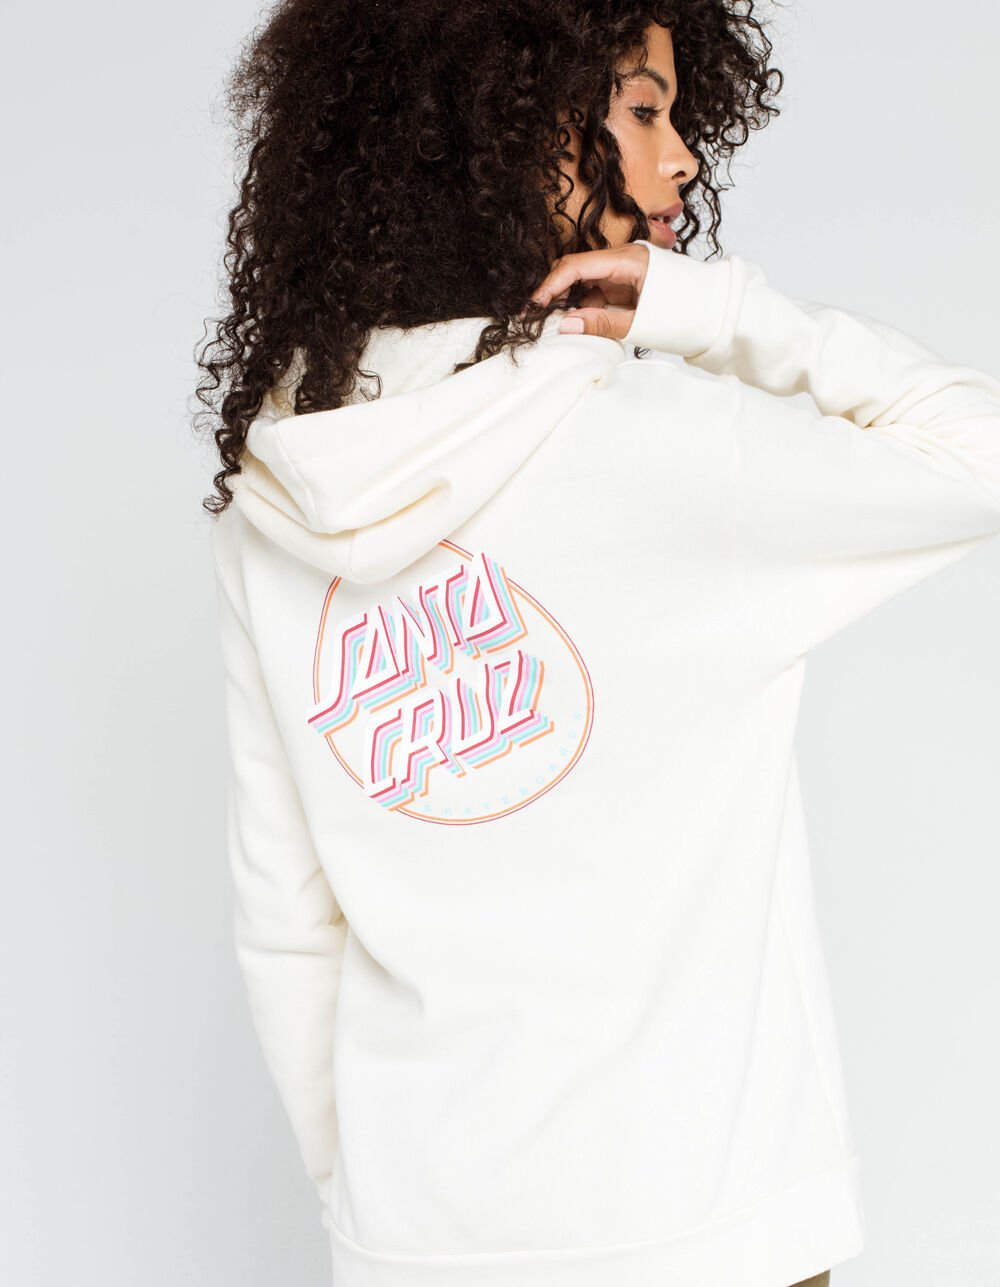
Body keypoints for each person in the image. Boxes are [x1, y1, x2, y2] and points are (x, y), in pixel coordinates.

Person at [194, 3, 1000, 1285]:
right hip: (708, 1229)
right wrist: (720, 314)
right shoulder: (655, 443)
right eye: (641, 110)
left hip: (422, 1241)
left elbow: (289, 924)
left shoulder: (278, 496)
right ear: (502, 129)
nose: (681, 157)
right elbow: (977, 452)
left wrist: (383, 1214)